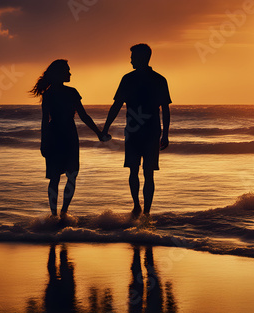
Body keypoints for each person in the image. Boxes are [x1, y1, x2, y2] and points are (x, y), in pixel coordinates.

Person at [31, 59, 108, 217]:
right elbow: (45, 120)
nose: (70, 73)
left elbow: (83, 116)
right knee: (63, 177)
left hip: (62, 135)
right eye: (67, 71)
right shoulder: (52, 94)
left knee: (65, 176)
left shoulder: (66, 93)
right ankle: (58, 214)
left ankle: (61, 213)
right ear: (59, 74)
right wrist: (43, 143)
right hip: (64, 135)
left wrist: (99, 132)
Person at [101, 43, 171, 217]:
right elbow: (166, 110)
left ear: (141, 58)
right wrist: (165, 134)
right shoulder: (158, 79)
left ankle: (139, 208)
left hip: (137, 132)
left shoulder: (130, 79)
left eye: (133, 57)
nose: (130, 59)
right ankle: (143, 210)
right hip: (150, 131)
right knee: (147, 172)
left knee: (136, 170)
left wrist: (106, 128)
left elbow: (116, 105)